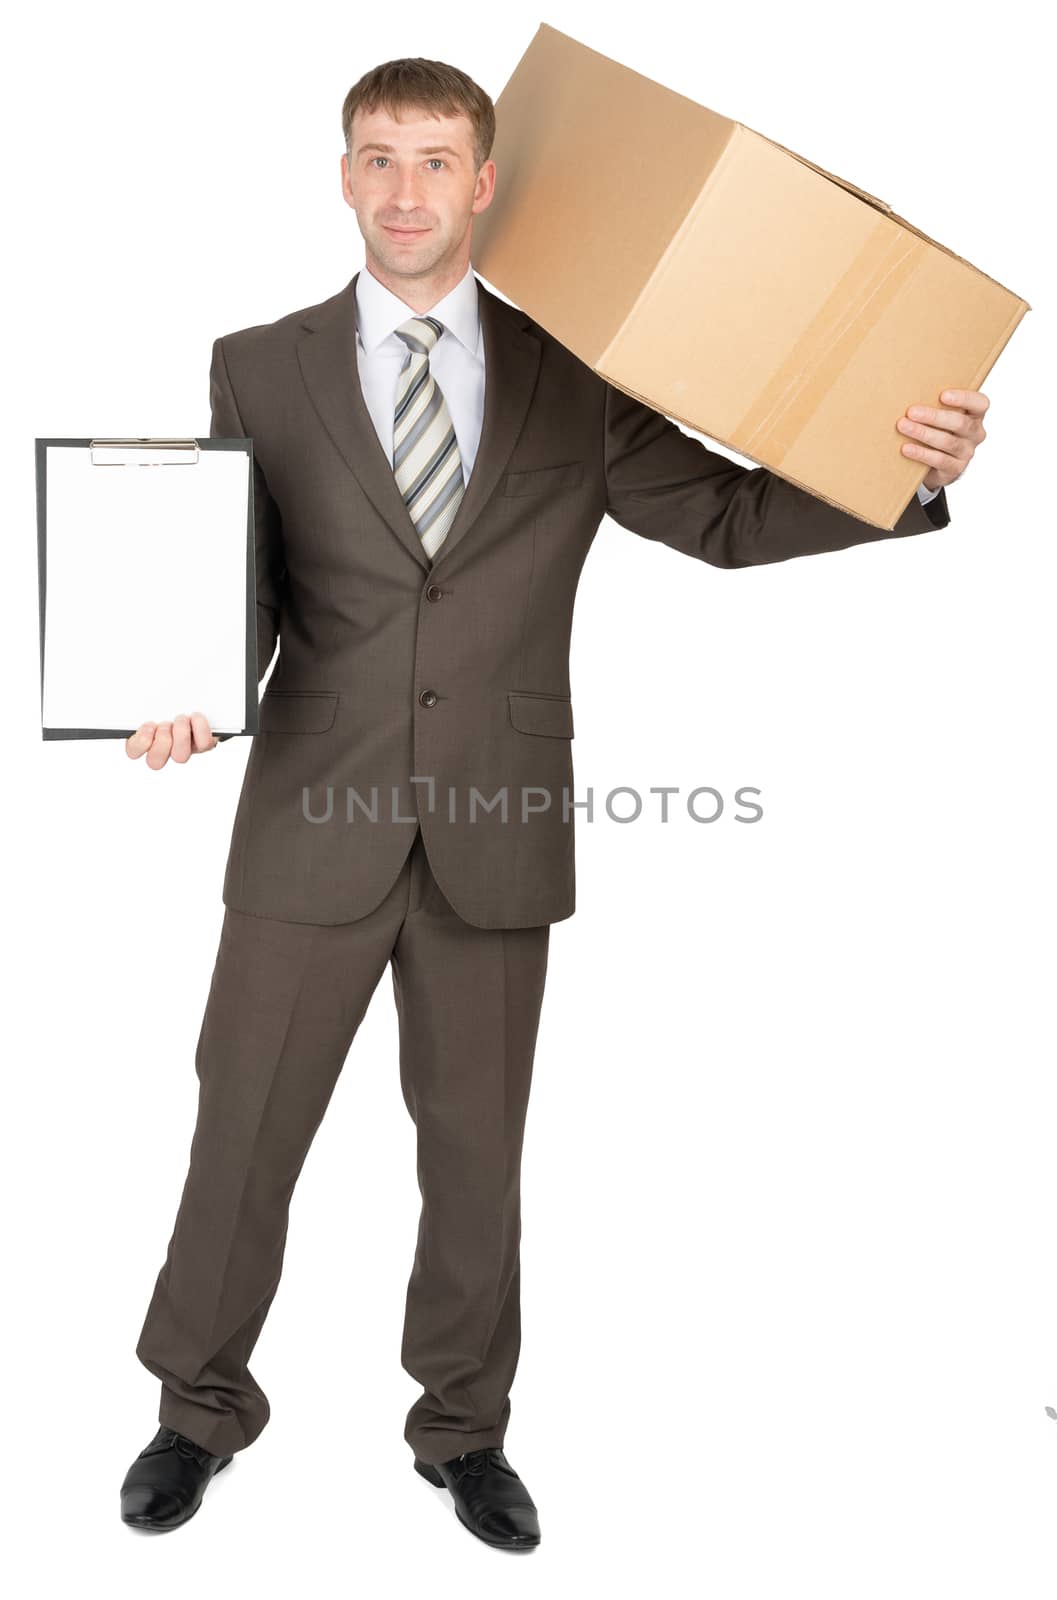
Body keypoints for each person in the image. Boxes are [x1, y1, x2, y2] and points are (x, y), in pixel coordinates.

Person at [117, 56, 989, 1548]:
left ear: (485, 183)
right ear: (344, 179)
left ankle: (462, 1434)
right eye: (377, 160)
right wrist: (180, 677)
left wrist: (895, 476)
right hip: (305, 824)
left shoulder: (572, 373)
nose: (405, 192)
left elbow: (717, 516)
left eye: (435, 162)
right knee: (240, 1135)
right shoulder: (256, 362)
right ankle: (196, 1411)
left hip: (493, 832)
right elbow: (239, 576)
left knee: (474, 1156)